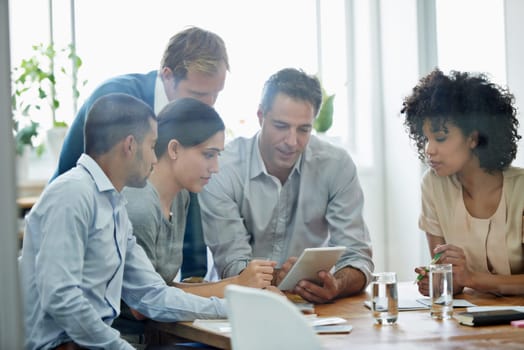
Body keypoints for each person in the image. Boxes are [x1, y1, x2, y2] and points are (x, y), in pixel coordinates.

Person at [19, 93, 226, 350]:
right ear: (130, 145)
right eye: (152, 146)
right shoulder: (72, 194)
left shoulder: (114, 205)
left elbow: (152, 295)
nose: (154, 159)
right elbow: (61, 298)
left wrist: (227, 309)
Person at [51, 26, 229, 280]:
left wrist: (196, 276)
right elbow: (88, 182)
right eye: (199, 94)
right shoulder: (118, 99)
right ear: (167, 76)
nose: (209, 104)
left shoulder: (185, 120)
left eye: (216, 93)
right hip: (79, 239)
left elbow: (188, 183)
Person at [199, 68, 374, 304]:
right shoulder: (223, 168)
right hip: (237, 305)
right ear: (260, 116)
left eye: (304, 129)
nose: (292, 142)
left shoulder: (336, 165)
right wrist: (279, 278)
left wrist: (336, 284)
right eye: (281, 126)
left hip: (313, 309)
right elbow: (232, 265)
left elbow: (357, 256)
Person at [123, 97, 276, 298]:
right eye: (208, 155)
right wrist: (237, 286)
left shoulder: (181, 196)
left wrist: (244, 287)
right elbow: (145, 302)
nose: (215, 168)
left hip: (156, 327)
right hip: (123, 329)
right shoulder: (140, 207)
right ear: (174, 149)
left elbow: (163, 286)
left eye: (217, 156)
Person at [400, 68, 524, 296]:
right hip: (470, 319)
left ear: (473, 138)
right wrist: (439, 281)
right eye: (425, 139)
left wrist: (472, 279)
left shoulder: (521, 190)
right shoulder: (433, 185)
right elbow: (448, 277)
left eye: (440, 138)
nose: (429, 150)